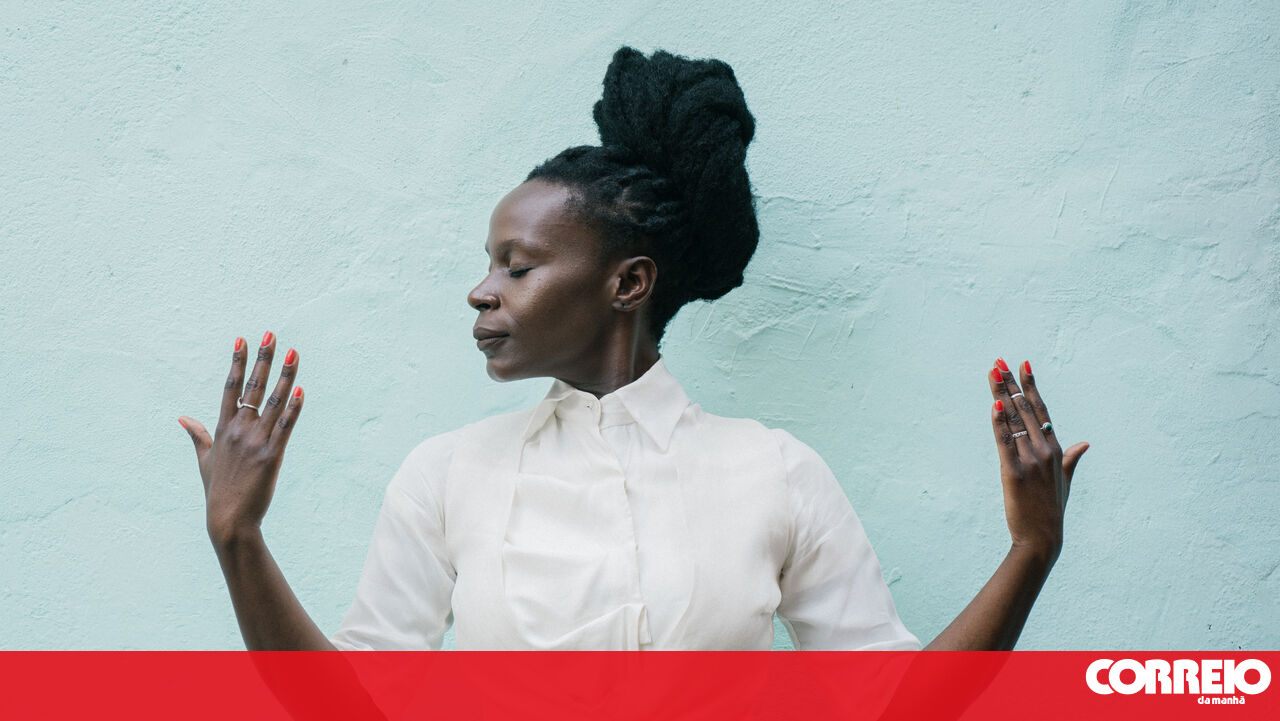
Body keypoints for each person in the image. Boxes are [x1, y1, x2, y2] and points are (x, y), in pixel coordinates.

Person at [178, 46, 1088, 652]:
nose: (481, 289)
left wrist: (1031, 552)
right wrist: (239, 539)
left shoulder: (776, 472)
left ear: (628, 284)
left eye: (518, 265)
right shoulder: (446, 475)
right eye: (487, 263)